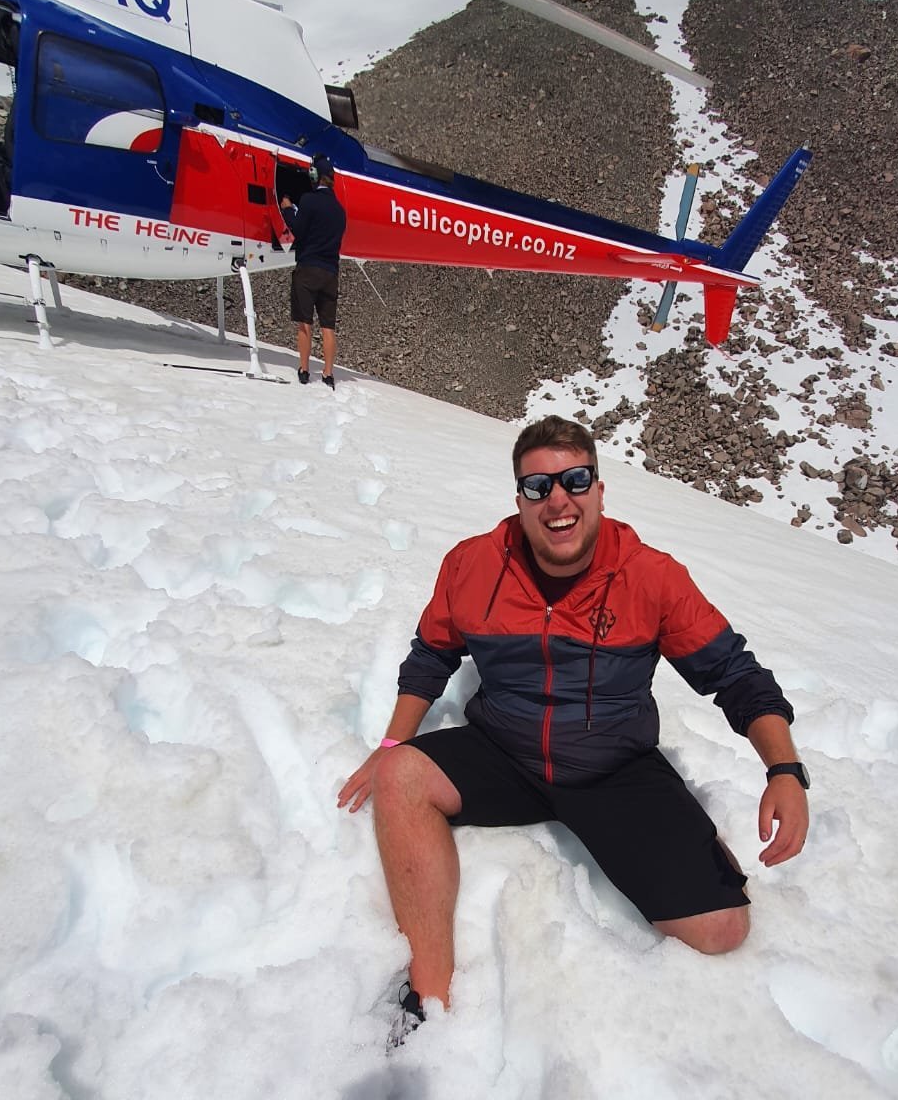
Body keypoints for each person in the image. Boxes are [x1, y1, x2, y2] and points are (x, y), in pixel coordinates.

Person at [337, 416, 810, 1042]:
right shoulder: (473, 565)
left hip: (613, 768)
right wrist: (392, 744)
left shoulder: (651, 577)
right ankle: (428, 995)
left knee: (722, 929)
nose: (557, 499)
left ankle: (687, 848)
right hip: (504, 751)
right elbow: (431, 655)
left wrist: (784, 769)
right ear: (520, 500)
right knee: (401, 777)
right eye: (538, 486)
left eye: (575, 480)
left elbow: (736, 675)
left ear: (599, 490)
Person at [280, 154, 346, 387]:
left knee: (304, 322)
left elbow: (298, 229)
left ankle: (305, 369)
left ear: (314, 175)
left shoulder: (308, 200)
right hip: (331, 274)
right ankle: (328, 373)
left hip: (308, 268)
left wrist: (288, 210)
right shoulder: (340, 210)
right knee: (328, 327)